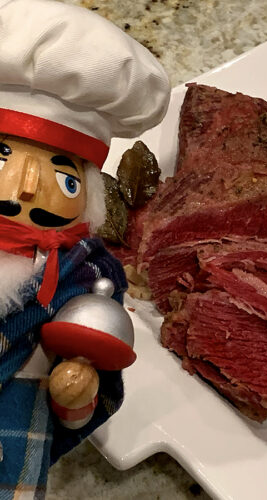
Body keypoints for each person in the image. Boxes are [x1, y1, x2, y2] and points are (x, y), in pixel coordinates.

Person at [0, 0, 170, 496]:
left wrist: (77, 391)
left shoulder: (87, 278)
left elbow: (85, 402)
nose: (27, 185)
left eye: (63, 178)